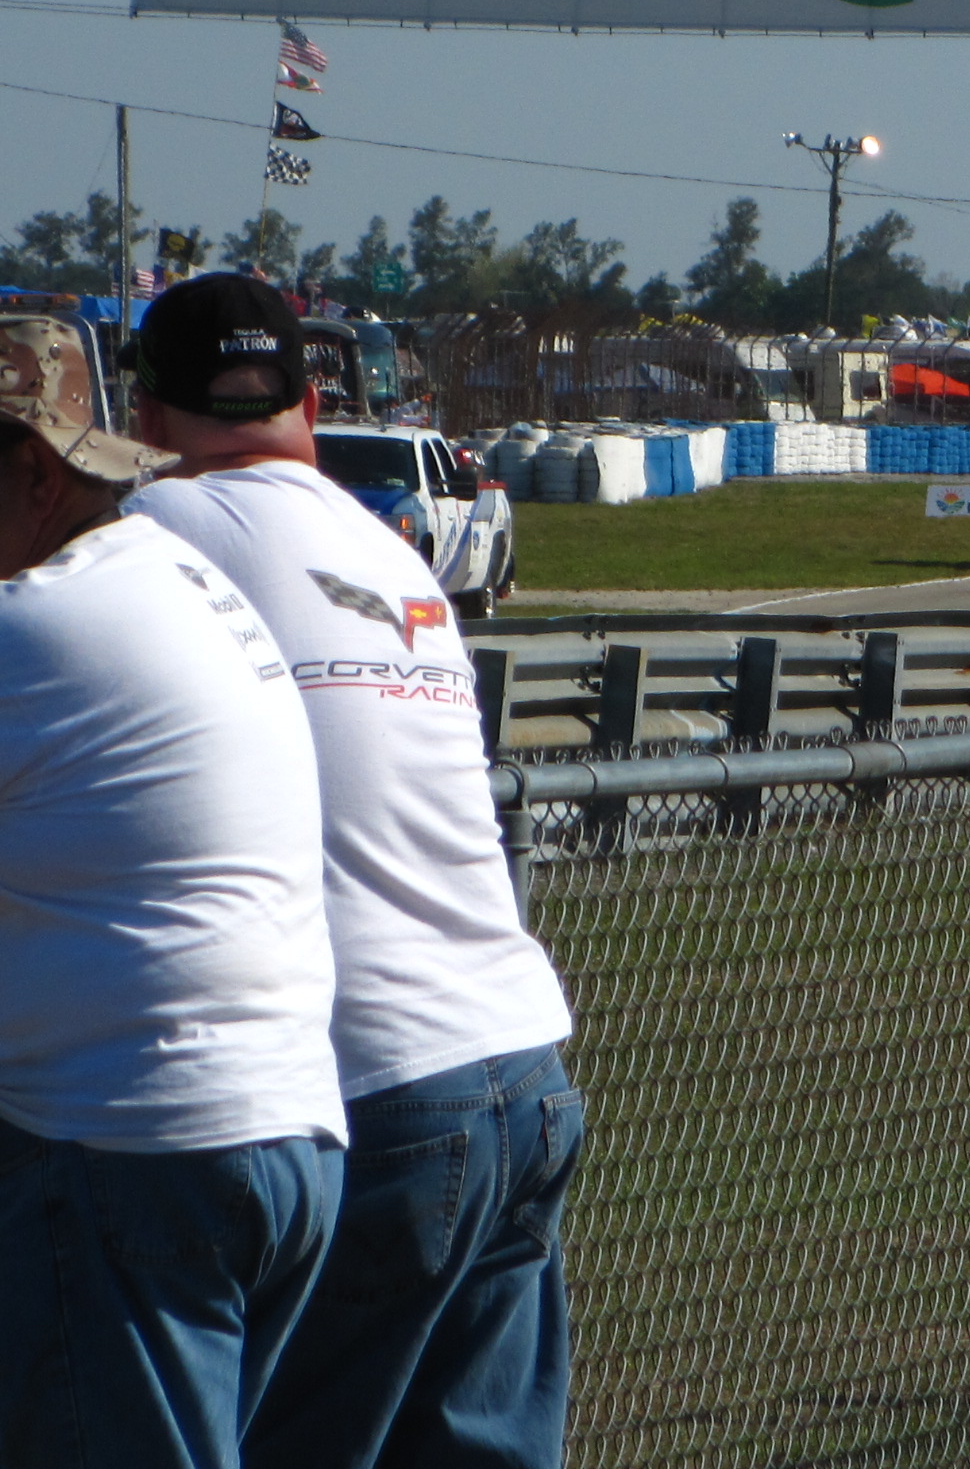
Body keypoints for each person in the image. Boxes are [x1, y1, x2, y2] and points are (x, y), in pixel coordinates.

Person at [121, 275, 584, 1469]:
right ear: (313, 405)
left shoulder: (155, 533)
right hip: (522, 1060)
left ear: (145, 416)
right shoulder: (388, 551)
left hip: (373, 1083)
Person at [0, 312, 346, 1467]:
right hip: (276, 1130)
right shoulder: (167, 575)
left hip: (133, 1147)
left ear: (35, 474)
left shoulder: (34, 628)